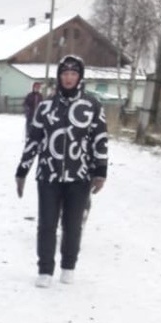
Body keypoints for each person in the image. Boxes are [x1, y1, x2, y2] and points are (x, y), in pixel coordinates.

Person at [15, 54, 107, 287]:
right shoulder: (45, 107)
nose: (68, 78)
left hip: (80, 176)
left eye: (73, 74)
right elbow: (33, 140)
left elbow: (100, 140)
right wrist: (22, 170)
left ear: (80, 77)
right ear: (59, 77)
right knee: (47, 223)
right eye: (64, 74)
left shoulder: (92, 105)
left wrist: (100, 171)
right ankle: (45, 269)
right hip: (49, 175)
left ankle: (68, 265)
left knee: (72, 224)